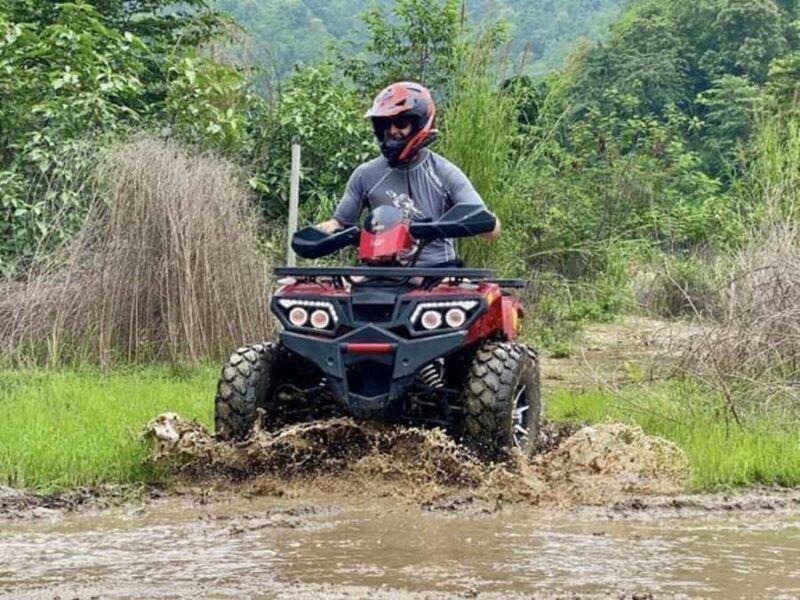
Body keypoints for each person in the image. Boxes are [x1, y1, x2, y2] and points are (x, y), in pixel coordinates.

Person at [317, 81, 501, 267]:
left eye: (401, 123)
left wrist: (481, 221)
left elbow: (491, 230)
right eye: (385, 125)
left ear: (419, 122)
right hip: (379, 274)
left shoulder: (445, 173)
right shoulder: (365, 175)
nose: (392, 130)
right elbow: (340, 223)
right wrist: (323, 231)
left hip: (437, 275)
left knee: (480, 295)